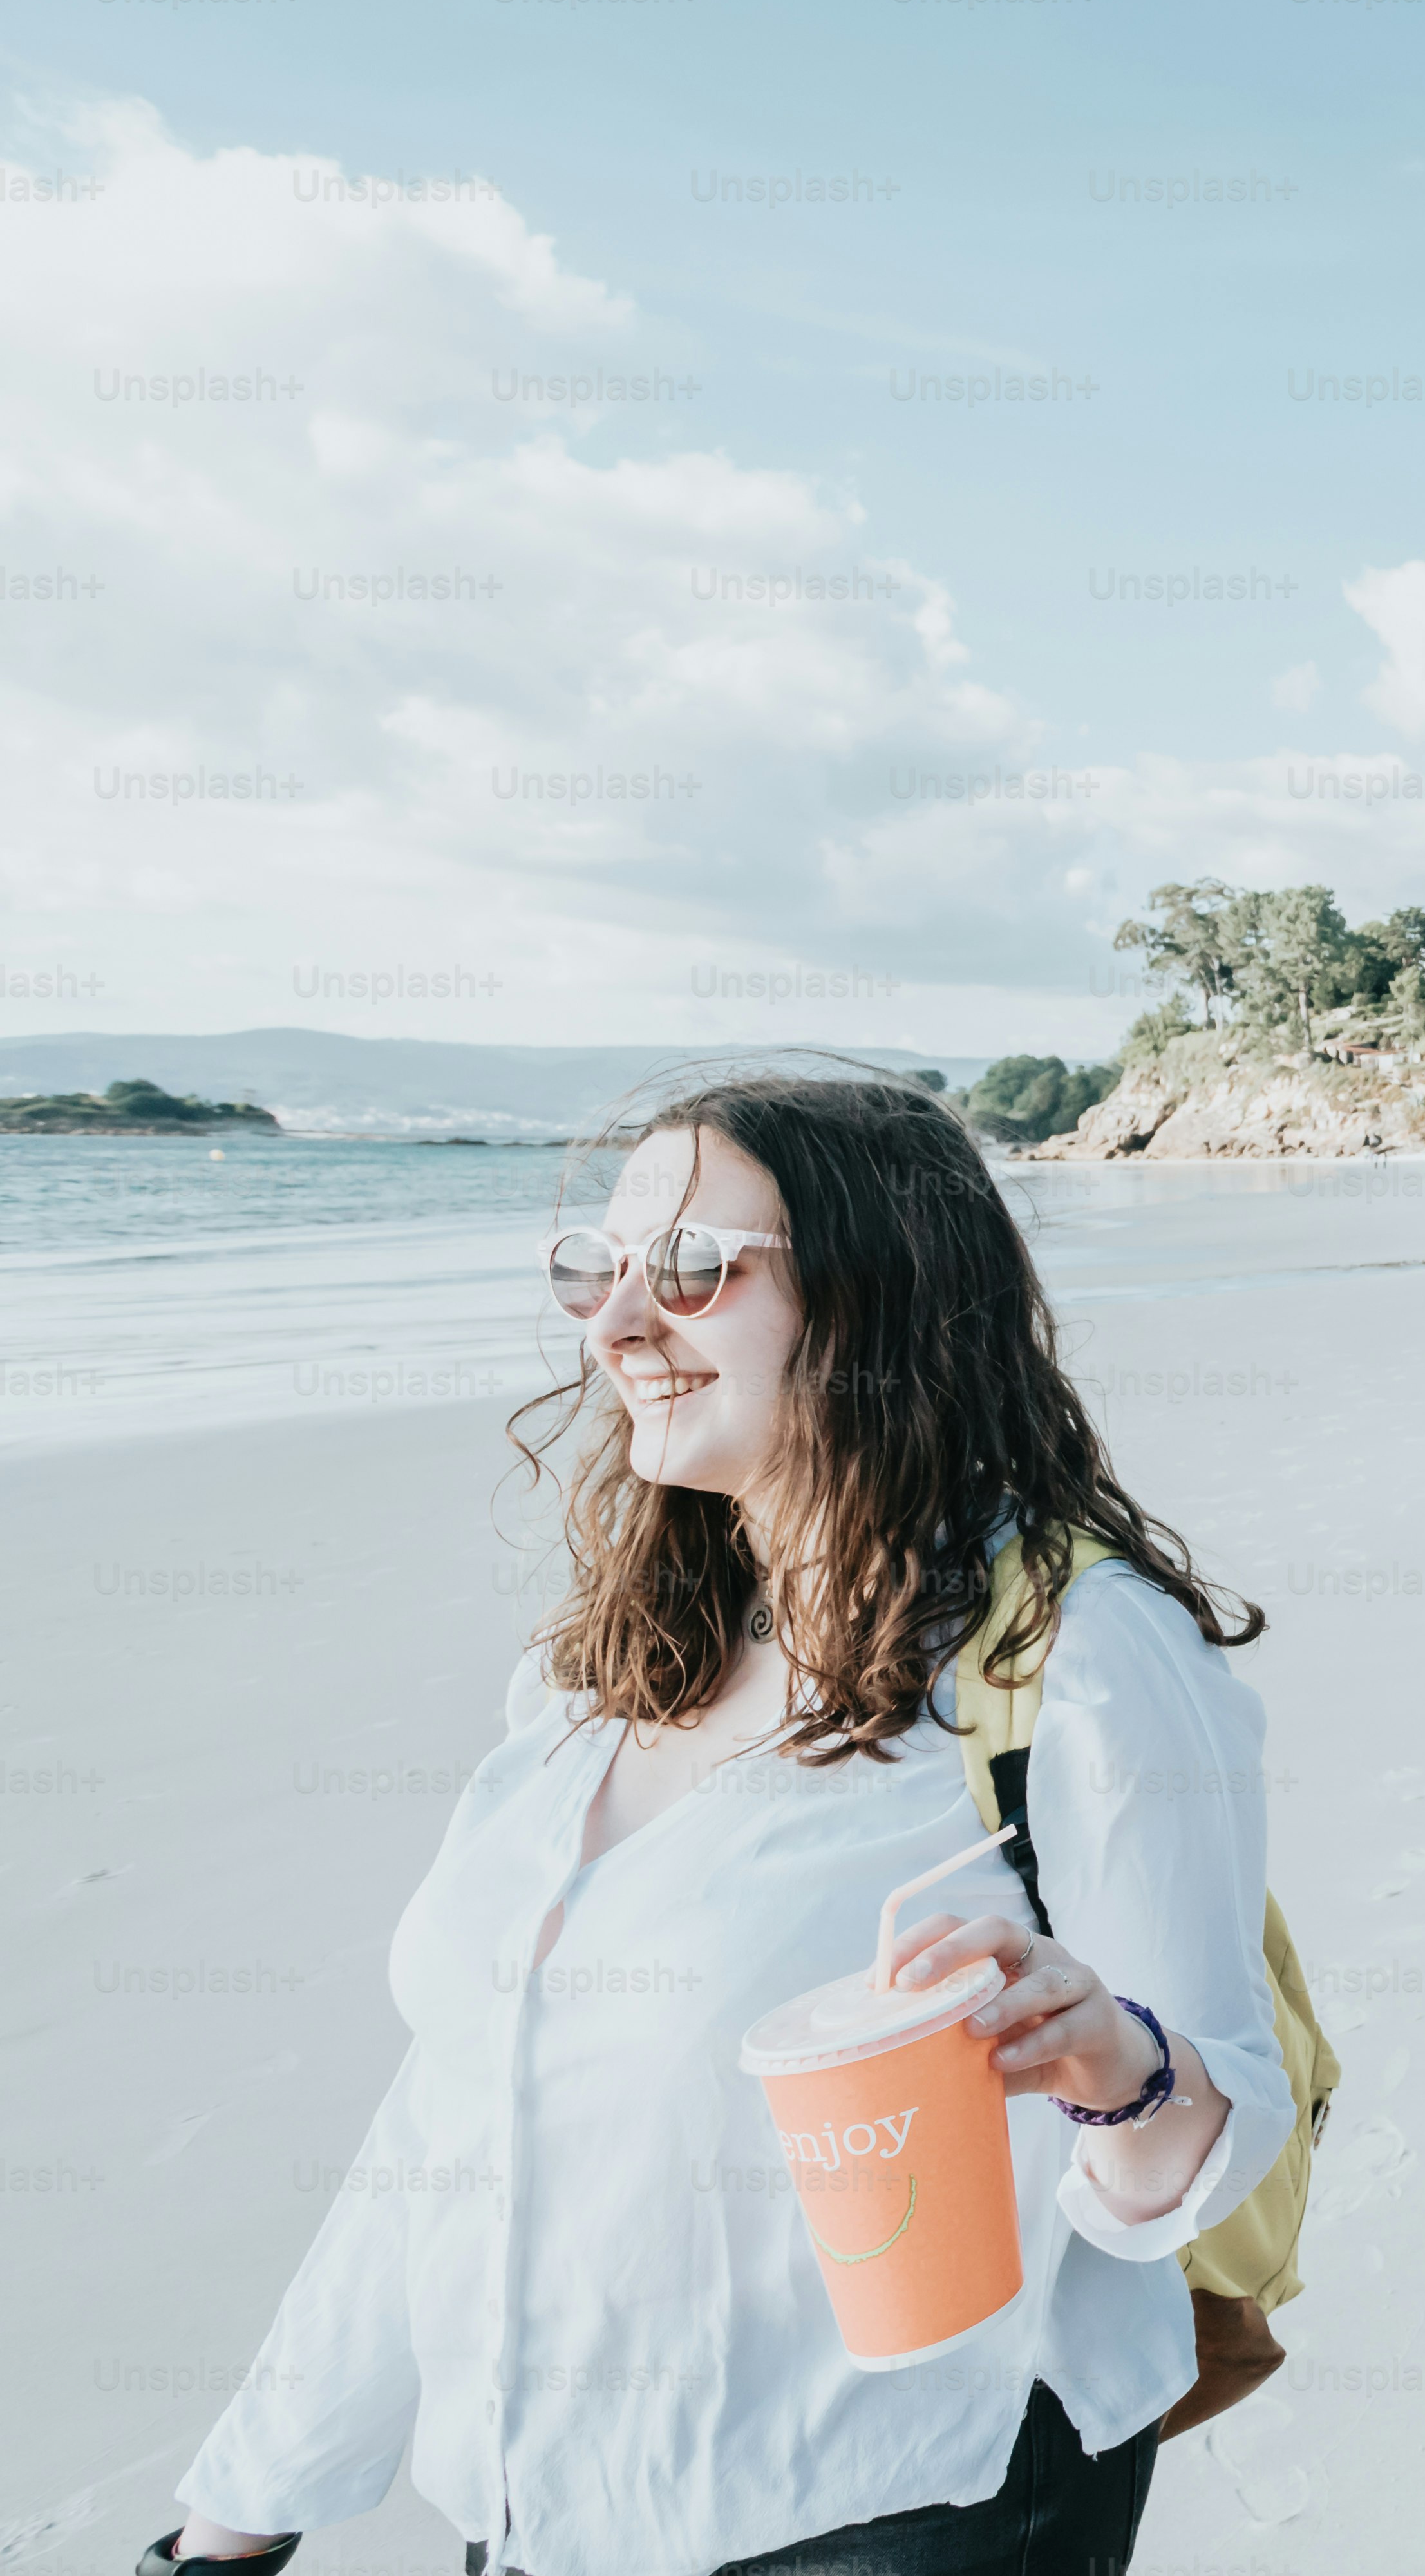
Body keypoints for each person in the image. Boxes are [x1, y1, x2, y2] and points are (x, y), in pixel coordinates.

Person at [153, 1072, 1285, 2576]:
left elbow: (1217, 2129)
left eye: (692, 1268)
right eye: (596, 1266)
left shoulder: (1072, 1653)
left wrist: (1112, 2062)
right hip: (552, 2519)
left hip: (901, 2506)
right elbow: (450, 2122)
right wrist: (236, 2520)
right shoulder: (602, 1675)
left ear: (878, 1296)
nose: (616, 1323)